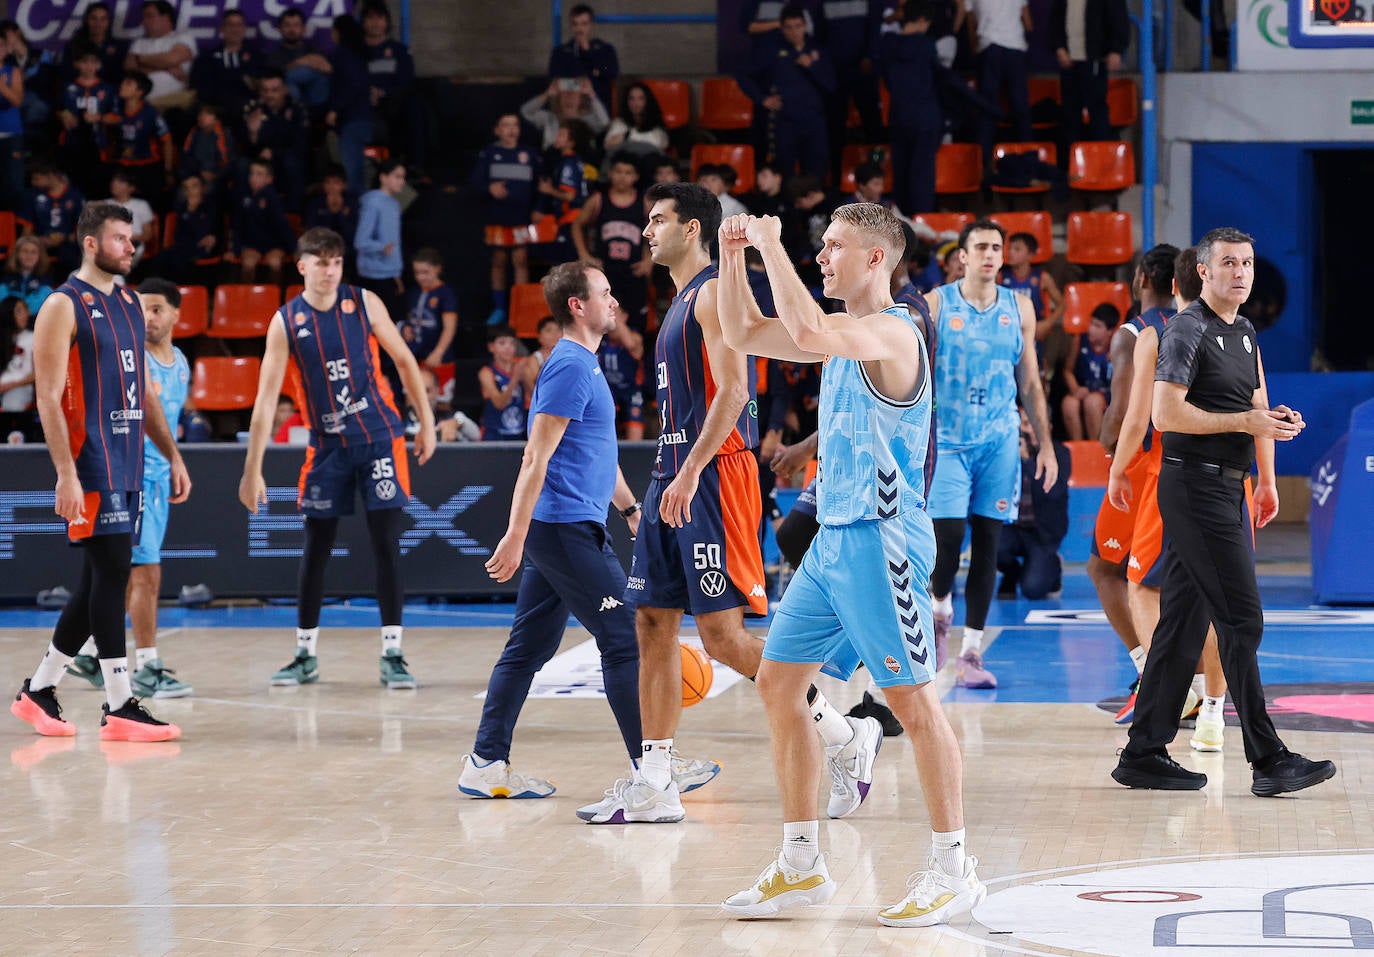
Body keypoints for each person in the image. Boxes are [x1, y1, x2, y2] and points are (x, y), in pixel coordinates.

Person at [716, 204, 984, 925]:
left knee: (914, 703)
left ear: (875, 260)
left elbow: (802, 328)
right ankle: (802, 863)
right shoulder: (840, 333)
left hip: (883, 539)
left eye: (834, 247)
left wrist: (771, 244)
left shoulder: (893, 331)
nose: (822, 256)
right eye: (819, 246)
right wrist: (733, 253)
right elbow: (745, 331)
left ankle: (953, 866)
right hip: (833, 537)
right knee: (778, 683)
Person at [576, 183, 867, 827]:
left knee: (723, 636)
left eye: (658, 220)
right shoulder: (678, 300)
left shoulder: (712, 292)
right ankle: (654, 780)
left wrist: (690, 472)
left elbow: (735, 393)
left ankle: (844, 734)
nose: (646, 230)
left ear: (693, 230)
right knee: (650, 621)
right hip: (672, 473)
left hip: (710, 475)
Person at [1111, 227, 1336, 798]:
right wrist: (1246, 424)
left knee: (1183, 625)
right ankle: (1268, 758)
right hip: (1194, 491)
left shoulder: (1243, 331)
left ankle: (1143, 753)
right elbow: (1166, 414)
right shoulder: (1187, 329)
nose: (1240, 273)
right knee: (1242, 620)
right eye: (1228, 264)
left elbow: (1249, 405)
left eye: (1248, 264)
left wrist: (1269, 440)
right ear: (1203, 273)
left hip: (1227, 488)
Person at [459, 261, 647, 801]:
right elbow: (535, 455)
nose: (614, 302)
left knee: (528, 649)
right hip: (562, 527)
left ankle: (485, 762)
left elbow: (595, 453)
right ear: (577, 305)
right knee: (623, 640)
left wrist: (630, 510)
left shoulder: (585, 365)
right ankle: (652, 769)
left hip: (568, 524)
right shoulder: (568, 365)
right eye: (605, 294)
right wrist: (516, 534)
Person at [9, 202, 188, 743]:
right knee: (113, 571)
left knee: (97, 581)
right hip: (90, 462)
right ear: (90, 243)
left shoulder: (132, 304)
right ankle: (119, 705)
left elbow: (148, 395)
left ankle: (38, 691)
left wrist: (173, 454)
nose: (131, 247)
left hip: (130, 457)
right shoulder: (62, 306)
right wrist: (64, 472)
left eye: (132, 239)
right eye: (119, 239)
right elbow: (45, 396)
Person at [238, 227, 437, 689]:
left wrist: (425, 422)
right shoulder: (286, 321)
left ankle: (393, 653)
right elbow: (266, 399)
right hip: (327, 448)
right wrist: (252, 469)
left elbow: (405, 361)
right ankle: (304, 654)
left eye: (336, 261)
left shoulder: (364, 303)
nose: (329, 270)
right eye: (319, 261)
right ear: (302, 266)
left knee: (386, 544)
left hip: (380, 440)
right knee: (317, 549)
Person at [1103, 246, 1227, 749]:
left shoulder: (1152, 334)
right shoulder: (1240, 336)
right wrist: (1265, 480)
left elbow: (1138, 420)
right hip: (1229, 478)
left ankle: (1170, 691)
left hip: (1167, 473)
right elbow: (1261, 409)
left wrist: (1115, 469)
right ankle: (1215, 713)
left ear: (1175, 286)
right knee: (1221, 600)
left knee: (1141, 587)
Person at [925, 219, 1056, 688]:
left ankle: (972, 653)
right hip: (947, 441)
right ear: (962, 255)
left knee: (988, 543)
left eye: (996, 248)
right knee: (948, 536)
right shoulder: (937, 303)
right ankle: (940, 609)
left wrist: (1044, 446)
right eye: (980, 246)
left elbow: (1031, 382)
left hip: (998, 440)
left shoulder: (1020, 307)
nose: (989, 254)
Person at [67, 279, 193, 698]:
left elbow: (164, 425)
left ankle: (87, 653)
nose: (148, 318)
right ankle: (148, 666)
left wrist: (175, 461)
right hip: (129, 478)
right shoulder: (130, 358)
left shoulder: (182, 363)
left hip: (158, 478)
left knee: (121, 575)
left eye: (157, 310)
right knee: (145, 574)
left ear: (177, 314)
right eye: (142, 310)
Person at [1090, 244, 1178, 719]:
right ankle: (1188, 682)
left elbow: (1123, 413)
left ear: (1142, 277)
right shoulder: (1192, 322)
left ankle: (1150, 671)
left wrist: (1111, 450)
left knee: (1108, 570)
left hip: (1141, 459)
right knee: (1170, 579)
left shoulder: (1132, 332)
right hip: (1184, 460)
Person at [739, 4, 835, 181]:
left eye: (798, 26)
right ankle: (785, 209)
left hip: (814, 122)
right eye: (789, 27)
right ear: (782, 28)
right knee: (784, 175)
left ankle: (813, 209)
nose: (794, 32)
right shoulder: (772, 50)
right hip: (785, 123)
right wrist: (763, 99)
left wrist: (813, 67)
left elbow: (832, 86)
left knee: (815, 175)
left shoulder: (817, 50)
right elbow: (743, 75)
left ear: (805, 25)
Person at [573, 152, 651, 332]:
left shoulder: (644, 202)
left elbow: (657, 232)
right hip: (605, 270)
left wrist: (649, 261)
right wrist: (584, 255)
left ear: (636, 176)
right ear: (610, 173)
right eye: (618, 171)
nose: (622, 177)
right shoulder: (599, 199)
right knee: (603, 322)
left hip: (633, 271)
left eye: (628, 172)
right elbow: (577, 225)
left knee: (634, 324)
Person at [996, 411, 1070, 598]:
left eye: (1029, 424)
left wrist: (1028, 460)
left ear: (1047, 428)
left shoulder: (1060, 453)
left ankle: (1052, 565)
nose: (1022, 429)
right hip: (1012, 527)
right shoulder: (1005, 453)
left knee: (1033, 590)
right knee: (991, 546)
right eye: (1021, 423)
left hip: (1041, 533)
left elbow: (1053, 492)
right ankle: (1011, 574)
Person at [473, 114, 536, 326]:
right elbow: (476, 183)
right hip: (497, 217)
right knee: (499, 260)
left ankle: (522, 308)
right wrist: (489, 188)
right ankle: (500, 308)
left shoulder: (529, 154)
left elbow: (540, 185)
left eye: (515, 125)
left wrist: (538, 209)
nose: (511, 129)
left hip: (522, 218)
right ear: (497, 130)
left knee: (520, 260)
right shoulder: (489, 154)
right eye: (506, 125)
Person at [881, 2, 942, 217]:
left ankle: (902, 229)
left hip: (899, 116)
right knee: (922, 176)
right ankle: (921, 227)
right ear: (922, 21)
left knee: (902, 173)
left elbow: (888, 80)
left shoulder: (887, 44)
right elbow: (939, 79)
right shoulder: (926, 45)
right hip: (925, 118)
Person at [1050, 0, 1128, 144]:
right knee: (1069, 113)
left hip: (1094, 58)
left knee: (1097, 110)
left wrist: (1116, 50)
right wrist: (1059, 47)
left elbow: (1118, 17)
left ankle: (1101, 157)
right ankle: (1070, 159)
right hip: (1069, 60)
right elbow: (1055, 20)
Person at [967, 0, 1032, 164]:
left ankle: (982, 165)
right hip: (1015, 47)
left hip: (988, 47)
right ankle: (1028, 159)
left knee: (986, 108)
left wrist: (974, 45)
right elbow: (1028, 21)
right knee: (1021, 108)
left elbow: (970, 19)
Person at [241, 69, 310, 213]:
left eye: (274, 90)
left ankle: (293, 215)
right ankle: (243, 215)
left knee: (292, 163)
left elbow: (300, 146)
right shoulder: (253, 109)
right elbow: (245, 149)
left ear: (285, 90)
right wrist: (252, 134)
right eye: (265, 90)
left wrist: (273, 152)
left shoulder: (297, 109)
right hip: (260, 161)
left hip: (286, 162)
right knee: (240, 166)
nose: (269, 95)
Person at [57, 44, 120, 201]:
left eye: (93, 62)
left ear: (99, 64)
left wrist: (99, 117)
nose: (89, 66)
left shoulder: (107, 89)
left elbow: (118, 117)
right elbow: (57, 108)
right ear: (77, 64)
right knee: (73, 189)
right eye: (85, 61)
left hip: (99, 146)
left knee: (97, 190)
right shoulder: (67, 87)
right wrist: (64, 114)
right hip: (71, 145)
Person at [107, 69, 174, 208]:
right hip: (123, 164)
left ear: (139, 92)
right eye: (123, 82)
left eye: (128, 83)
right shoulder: (116, 108)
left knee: (150, 204)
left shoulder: (150, 114)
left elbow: (166, 140)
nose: (122, 85)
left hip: (147, 165)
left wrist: (168, 170)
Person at [354, 159, 407, 322]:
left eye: (403, 177)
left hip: (388, 274)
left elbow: (393, 243)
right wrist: (381, 247)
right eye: (397, 176)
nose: (401, 181)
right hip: (373, 275)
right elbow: (361, 240)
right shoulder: (373, 203)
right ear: (383, 177)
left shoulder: (393, 204)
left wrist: (396, 273)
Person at [326, 14, 373, 195]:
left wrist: (334, 109)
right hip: (362, 119)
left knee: (352, 172)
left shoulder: (344, 54)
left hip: (353, 120)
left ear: (338, 32)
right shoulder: (358, 54)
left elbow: (350, 85)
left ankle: (356, 214)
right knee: (357, 170)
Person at [123, 0, 195, 115]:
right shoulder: (140, 42)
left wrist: (141, 59)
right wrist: (166, 68)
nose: (144, 21)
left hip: (174, 106)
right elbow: (130, 67)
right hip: (143, 106)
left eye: (149, 16)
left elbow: (172, 59)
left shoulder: (182, 38)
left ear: (166, 17)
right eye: (144, 17)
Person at [189, 10, 259, 126]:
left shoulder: (257, 57)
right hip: (213, 105)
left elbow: (260, 85)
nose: (235, 30)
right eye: (230, 25)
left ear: (244, 28)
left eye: (239, 25)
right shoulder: (206, 57)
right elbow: (198, 85)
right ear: (222, 28)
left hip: (246, 106)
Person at [231, 158, 294, 284]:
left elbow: (282, 225)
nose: (253, 178)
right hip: (252, 244)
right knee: (248, 263)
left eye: (259, 174)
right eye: (252, 173)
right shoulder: (243, 196)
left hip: (274, 244)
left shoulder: (274, 198)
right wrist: (235, 249)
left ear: (269, 179)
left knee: (275, 262)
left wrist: (295, 249)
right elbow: (237, 225)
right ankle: (247, 296)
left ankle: (276, 297)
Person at [1060, 301, 1116, 441]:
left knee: (1093, 402)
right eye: (1091, 323)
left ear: (1110, 331)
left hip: (1107, 395)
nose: (1091, 329)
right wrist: (1075, 388)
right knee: (1069, 403)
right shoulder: (1080, 341)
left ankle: (1097, 449)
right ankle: (1079, 451)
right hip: (1084, 390)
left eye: (1098, 326)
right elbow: (1067, 370)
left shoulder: (1117, 345)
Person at [548, 3, 620, 112]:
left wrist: (587, 52)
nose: (579, 29)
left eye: (584, 24)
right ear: (571, 26)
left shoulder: (605, 49)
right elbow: (556, 79)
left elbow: (610, 72)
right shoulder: (561, 52)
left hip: (598, 108)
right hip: (569, 110)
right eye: (575, 24)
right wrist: (592, 75)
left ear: (591, 25)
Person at [998, 232, 1062, 345]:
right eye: (1010, 248)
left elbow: (1062, 305)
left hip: (1034, 333)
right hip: (1007, 332)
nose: (1010, 252)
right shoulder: (1000, 276)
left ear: (1030, 255)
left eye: (1017, 249)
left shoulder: (1042, 278)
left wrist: (1047, 324)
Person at [401, 248, 459, 371]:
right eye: (417, 273)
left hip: (439, 358)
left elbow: (449, 328)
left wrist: (439, 352)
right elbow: (410, 317)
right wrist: (406, 328)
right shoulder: (414, 292)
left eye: (425, 272)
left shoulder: (445, 294)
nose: (421, 277)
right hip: (416, 355)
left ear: (438, 269)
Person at [262, 8, 332, 109]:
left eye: (296, 25)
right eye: (287, 25)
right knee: (288, 83)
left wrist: (306, 63)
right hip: (290, 105)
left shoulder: (314, 50)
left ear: (304, 28)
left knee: (321, 77)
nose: (291, 29)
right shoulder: (273, 55)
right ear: (280, 28)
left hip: (316, 101)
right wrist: (301, 62)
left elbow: (328, 69)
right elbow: (276, 78)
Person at [28, 161, 86, 279]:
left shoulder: (75, 196)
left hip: (68, 243)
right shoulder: (34, 196)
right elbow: (26, 230)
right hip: (41, 242)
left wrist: (65, 238)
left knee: (71, 251)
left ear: (50, 176)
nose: (33, 183)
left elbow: (83, 230)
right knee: (29, 248)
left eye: (37, 179)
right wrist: (40, 239)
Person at [521, 76, 609, 152]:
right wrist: (547, 94)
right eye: (565, 94)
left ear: (581, 99)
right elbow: (526, 112)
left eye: (573, 94)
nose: (569, 98)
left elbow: (605, 122)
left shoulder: (587, 120)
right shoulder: (550, 118)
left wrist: (591, 94)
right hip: (552, 160)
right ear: (559, 98)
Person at [478, 325, 527, 441]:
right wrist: (515, 379)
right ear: (491, 347)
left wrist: (526, 377)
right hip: (494, 433)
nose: (508, 348)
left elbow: (534, 394)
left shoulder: (521, 368)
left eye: (511, 344)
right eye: (502, 343)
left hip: (518, 432)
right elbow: (499, 403)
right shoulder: (487, 373)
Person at [106, 170, 157, 272]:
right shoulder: (105, 205)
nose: (114, 184)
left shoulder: (141, 205)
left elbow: (148, 235)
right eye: (114, 181)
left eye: (120, 182)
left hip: (133, 242)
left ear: (131, 188)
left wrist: (130, 237)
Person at [602, 82, 669, 159]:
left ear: (648, 101)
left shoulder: (657, 126)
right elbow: (608, 146)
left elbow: (659, 145)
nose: (635, 103)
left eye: (640, 98)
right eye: (631, 99)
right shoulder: (619, 123)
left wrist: (627, 137)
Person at [0, 295, 35, 439]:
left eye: (25, 310)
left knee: (12, 400)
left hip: (20, 388)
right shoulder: (3, 338)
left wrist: (11, 385)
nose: (26, 314)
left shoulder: (33, 337)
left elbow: (38, 374)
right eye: (19, 311)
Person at [0, 235, 54, 314]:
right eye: (25, 251)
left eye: (33, 252)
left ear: (39, 256)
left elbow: (45, 306)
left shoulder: (45, 280)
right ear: (17, 254)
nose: (29, 256)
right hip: (9, 322)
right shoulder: (6, 278)